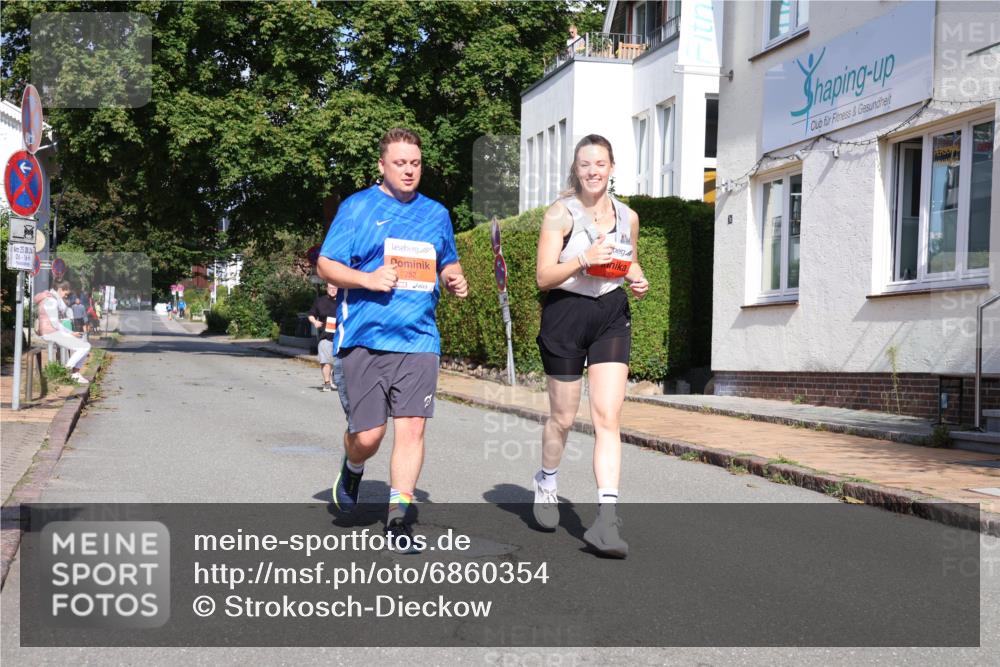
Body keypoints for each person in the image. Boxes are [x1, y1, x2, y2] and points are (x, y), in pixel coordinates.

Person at [317, 127, 468, 548]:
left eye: (415, 163)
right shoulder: (357, 208)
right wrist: (366, 278)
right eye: (400, 163)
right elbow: (326, 266)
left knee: (412, 430)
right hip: (364, 337)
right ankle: (353, 464)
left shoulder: (436, 213)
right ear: (382, 165)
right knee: (369, 436)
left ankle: (398, 520)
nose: (408, 170)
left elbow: (448, 263)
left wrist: (454, 279)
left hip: (419, 339)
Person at [532, 134, 649, 558]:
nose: (593, 171)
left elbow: (628, 259)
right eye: (585, 164)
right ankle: (546, 479)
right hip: (565, 314)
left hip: (610, 315)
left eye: (600, 163)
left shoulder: (628, 216)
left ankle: (606, 521)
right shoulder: (558, 216)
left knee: (607, 416)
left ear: (612, 167)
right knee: (563, 417)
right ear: (576, 170)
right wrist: (584, 259)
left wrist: (636, 278)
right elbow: (543, 277)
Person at [34, 281, 92, 385]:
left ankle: (75, 373)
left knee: (85, 345)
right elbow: (55, 323)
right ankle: (67, 371)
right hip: (51, 332)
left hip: (50, 331)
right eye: (66, 294)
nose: (66, 296)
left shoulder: (50, 298)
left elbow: (61, 313)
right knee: (84, 347)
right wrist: (70, 333)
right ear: (60, 289)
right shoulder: (51, 300)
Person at [307, 283, 340, 392]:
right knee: (326, 361)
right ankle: (327, 383)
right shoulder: (320, 301)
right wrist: (315, 321)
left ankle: (335, 378)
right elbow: (311, 314)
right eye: (330, 288)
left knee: (339, 362)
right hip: (326, 336)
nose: (332, 290)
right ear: (326, 289)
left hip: (341, 337)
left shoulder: (343, 301)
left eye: (335, 288)